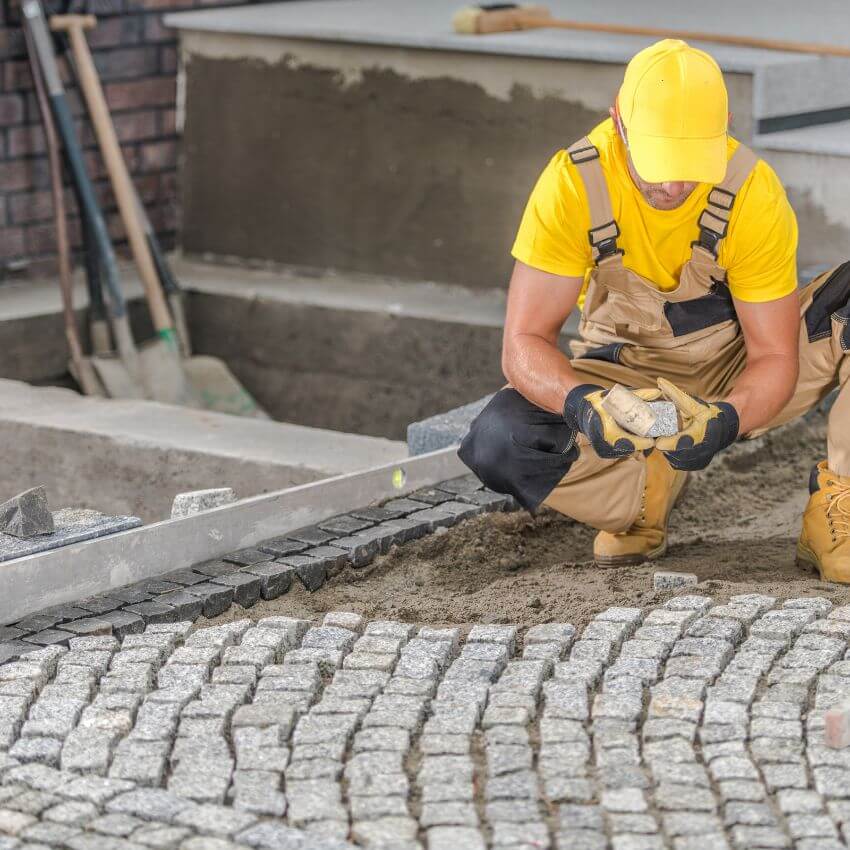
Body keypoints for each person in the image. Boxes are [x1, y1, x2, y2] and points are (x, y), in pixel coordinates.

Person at [458, 39, 850, 582]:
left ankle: (841, 507)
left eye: (690, 165)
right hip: (623, 381)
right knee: (499, 441)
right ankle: (640, 498)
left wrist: (725, 419)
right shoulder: (574, 184)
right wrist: (584, 407)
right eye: (660, 164)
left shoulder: (753, 191)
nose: (673, 185)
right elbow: (522, 343)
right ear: (619, 124)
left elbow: (775, 355)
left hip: (734, 374)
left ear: (724, 128)